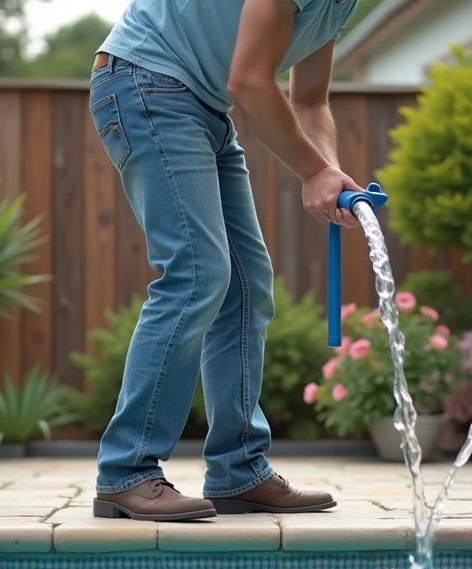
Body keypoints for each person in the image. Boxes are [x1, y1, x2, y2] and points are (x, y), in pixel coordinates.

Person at [89, 0, 362, 522]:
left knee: (246, 284)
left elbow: (309, 99)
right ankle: (126, 471)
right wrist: (313, 172)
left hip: (202, 106)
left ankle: (239, 471)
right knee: (196, 274)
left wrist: (327, 174)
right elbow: (251, 82)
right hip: (145, 82)